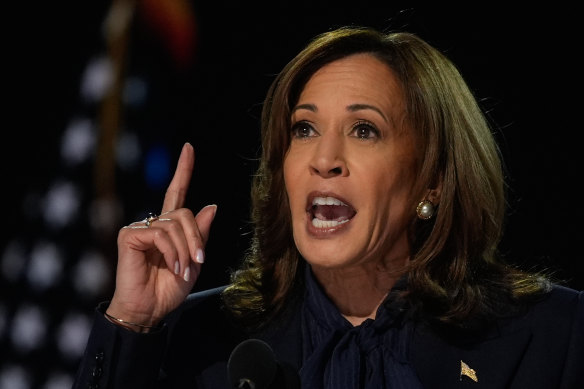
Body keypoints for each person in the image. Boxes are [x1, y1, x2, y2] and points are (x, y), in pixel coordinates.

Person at [72, 26, 583, 389]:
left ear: (432, 181)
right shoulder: (197, 339)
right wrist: (131, 325)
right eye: (304, 129)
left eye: (364, 130)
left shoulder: (552, 336)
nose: (324, 159)